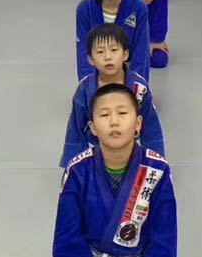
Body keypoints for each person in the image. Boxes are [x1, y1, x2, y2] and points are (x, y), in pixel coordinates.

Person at [51, 84, 177, 257]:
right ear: (92, 128)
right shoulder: (77, 170)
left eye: (122, 113)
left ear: (138, 123)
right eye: (104, 115)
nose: (114, 121)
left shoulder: (156, 170)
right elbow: (67, 235)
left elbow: (164, 235)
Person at [61, 24, 165, 167]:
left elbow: (151, 130)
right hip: (98, 150)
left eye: (114, 50)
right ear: (91, 59)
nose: (108, 57)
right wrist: (73, 168)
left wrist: (157, 165)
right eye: (100, 52)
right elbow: (75, 132)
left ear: (125, 54)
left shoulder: (139, 87)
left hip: (129, 150)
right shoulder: (84, 89)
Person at [76, 0, 151, 81]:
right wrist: (88, 84)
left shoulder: (138, 8)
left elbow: (141, 51)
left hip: (127, 73)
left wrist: (136, 85)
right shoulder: (85, 9)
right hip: (97, 73)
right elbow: (83, 51)